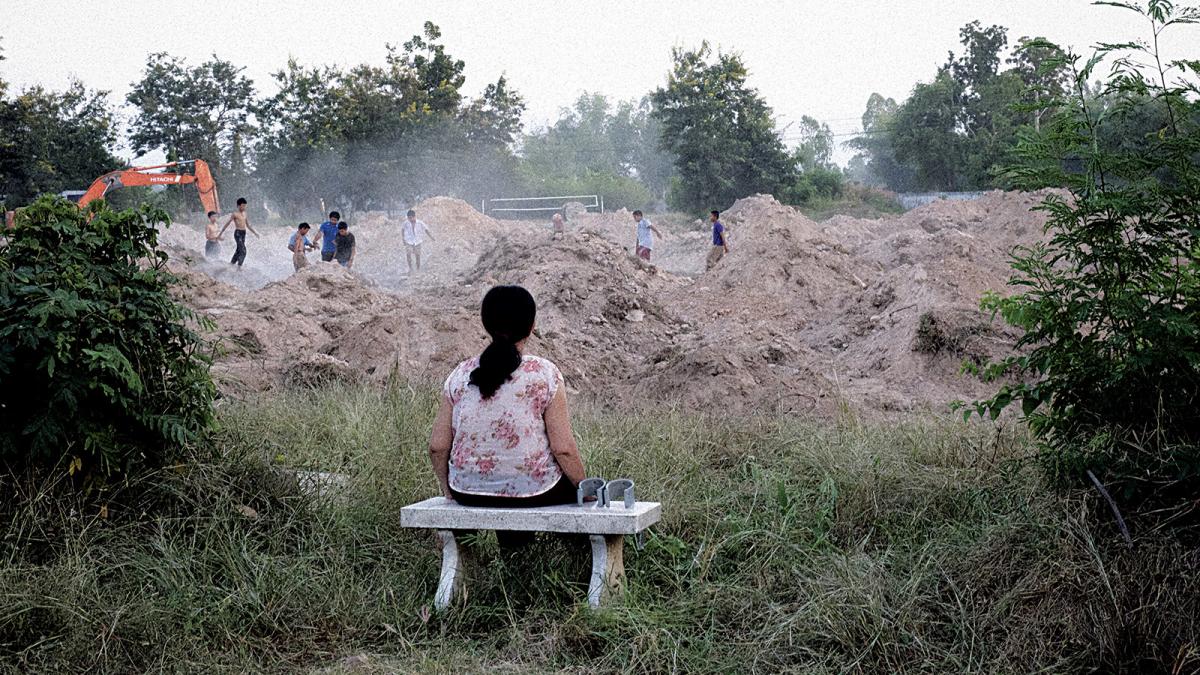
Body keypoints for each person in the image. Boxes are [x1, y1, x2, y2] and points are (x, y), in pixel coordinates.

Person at [428, 285, 586, 508]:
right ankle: (524, 545)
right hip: (534, 492)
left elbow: (437, 446)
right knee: (575, 491)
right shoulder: (545, 374)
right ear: (532, 327)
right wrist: (586, 489)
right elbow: (563, 449)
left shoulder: (460, 374)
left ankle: (509, 545)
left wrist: (448, 490)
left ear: (485, 324)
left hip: (466, 491)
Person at [218, 197, 259, 268]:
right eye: (243, 206)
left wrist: (255, 233)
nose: (244, 207)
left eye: (245, 206)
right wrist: (220, 233)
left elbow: (248, 225)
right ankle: (239, 267)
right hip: (238, 233)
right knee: (243, 251)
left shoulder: (245, 214)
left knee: (238, 251)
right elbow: (227, 223)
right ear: (238, 206)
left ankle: (231, 264)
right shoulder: (235, 214)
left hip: (243, 233)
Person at [402, 209, 434, 274]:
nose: (410, 219)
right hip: (409, 241)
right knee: (408, 254)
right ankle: (410, 268)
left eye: (411, 218)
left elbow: (426, 230)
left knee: (417, 256)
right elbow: (402, 230)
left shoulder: (420, 223)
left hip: (418, 241)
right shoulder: (406, 223)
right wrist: (403, 239)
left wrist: (431, 237)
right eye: (409, 218)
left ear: (414, 216)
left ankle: (418, 269)